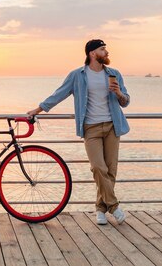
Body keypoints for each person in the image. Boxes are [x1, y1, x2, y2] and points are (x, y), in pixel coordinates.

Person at [27, 38, 130, 225]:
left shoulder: (114, 74)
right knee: (98, 168)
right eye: (103, 49)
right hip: (91, 127)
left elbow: (126, 101)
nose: (107, 53)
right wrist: (38, 109)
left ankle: (100, 209)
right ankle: (113, 206)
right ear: (92, 53)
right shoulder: (77, 75)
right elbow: (59, 94)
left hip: (113, 126)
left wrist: (119, 93)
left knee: (110, 170)